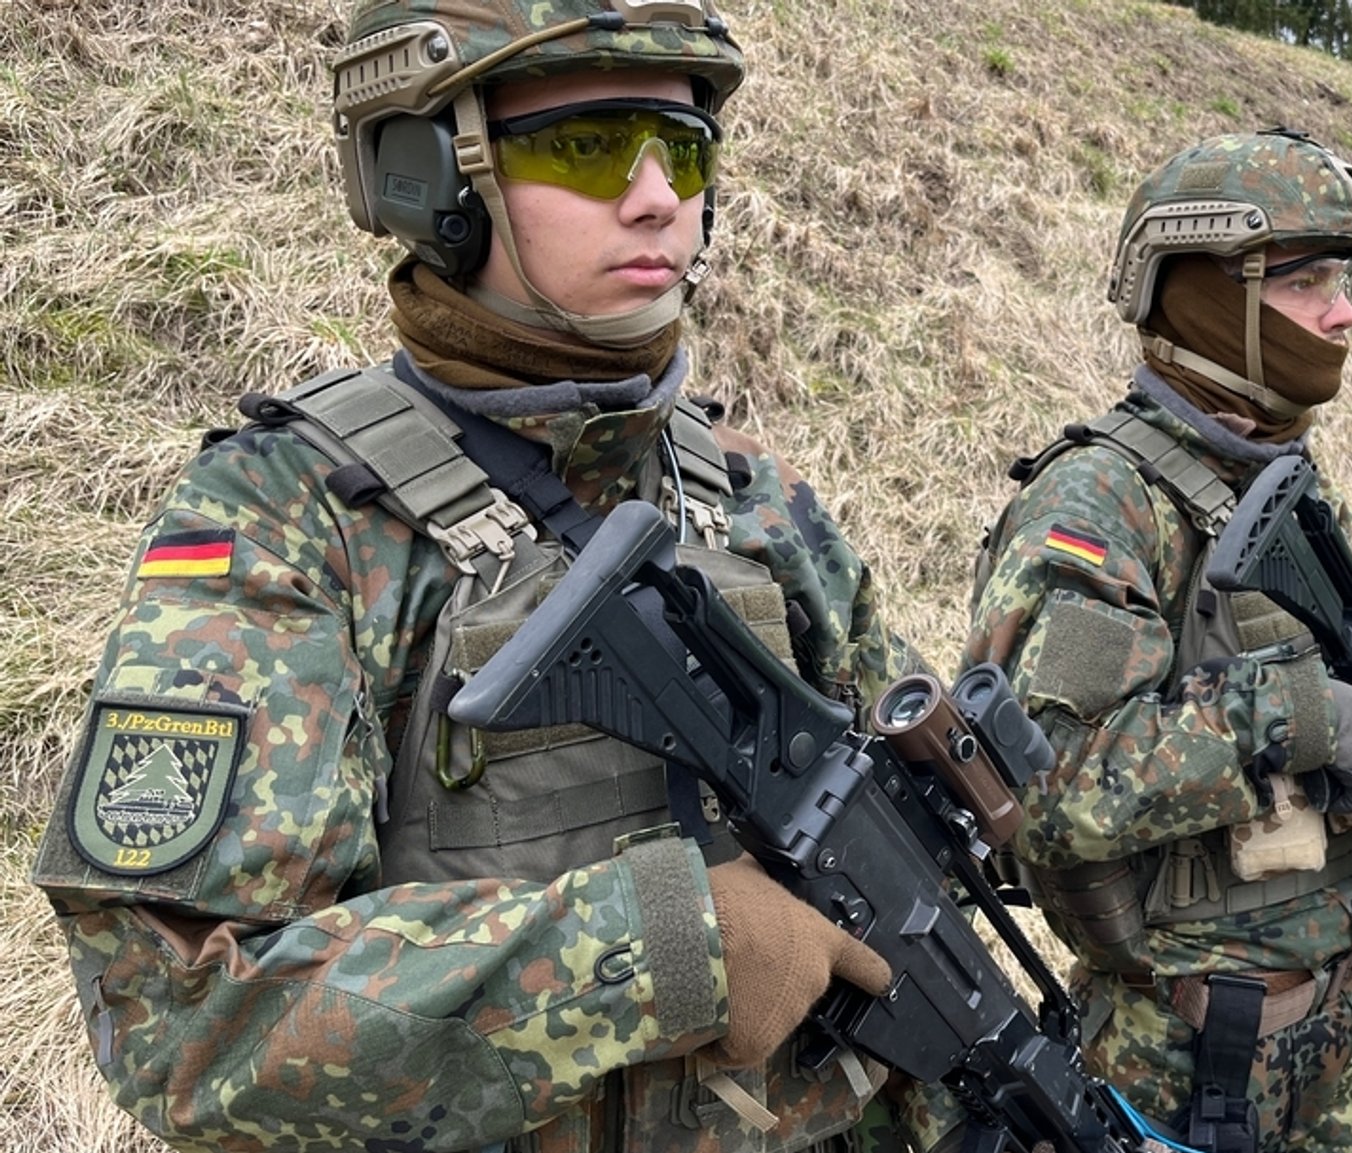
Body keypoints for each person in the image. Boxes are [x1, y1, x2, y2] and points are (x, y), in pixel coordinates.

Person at [29, 2, 919, 1149]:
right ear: (428, 178)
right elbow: (188, 1021)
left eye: (683, 150)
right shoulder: (292, 516)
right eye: (587, 147)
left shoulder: (754, 501)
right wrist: (660, 949)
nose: (658, 199)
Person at [962, 129, 1352, 1153]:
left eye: (1342, 280)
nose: (1342, 312)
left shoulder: (1281, 482)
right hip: (1187, 1049)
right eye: (1306, 282)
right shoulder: (1102, 499)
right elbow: (1047, 788)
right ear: (1208, 295)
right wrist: (1303, 716)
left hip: (1341, 1021)